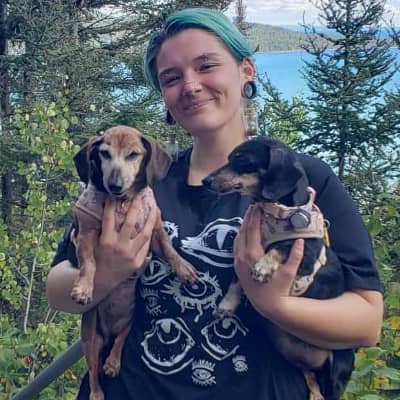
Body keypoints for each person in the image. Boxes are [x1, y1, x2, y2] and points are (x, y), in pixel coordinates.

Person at [46, 7, 383, 400]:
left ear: (246, 70)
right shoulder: (141, 184)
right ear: (164, 96)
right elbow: (57, 288)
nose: (190, 85)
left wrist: (274, 304)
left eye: (206, 65)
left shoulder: (298, 178)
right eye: (171, 78)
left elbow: (367, 321)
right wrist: (108, 270)